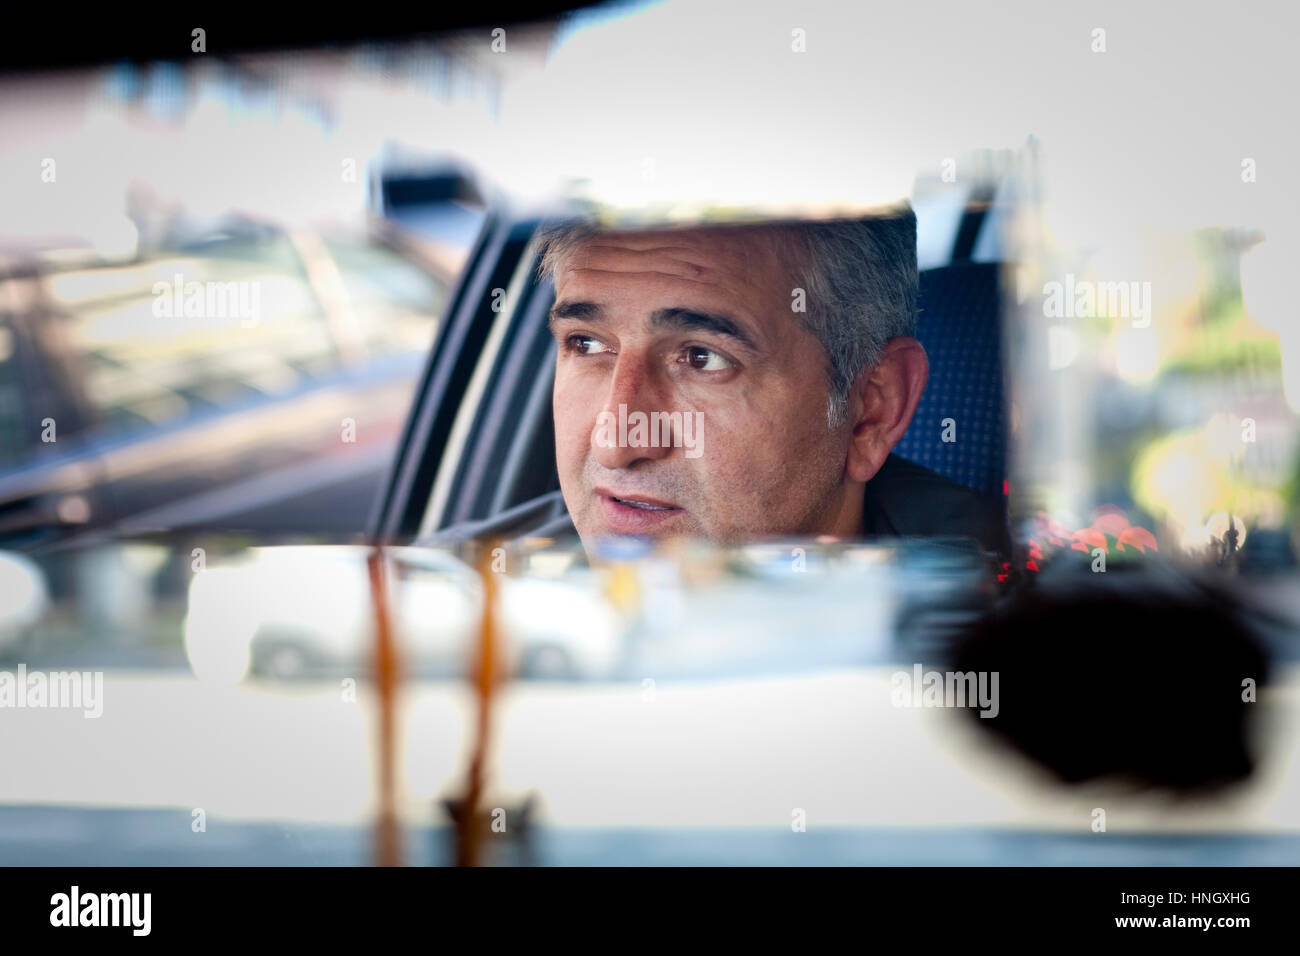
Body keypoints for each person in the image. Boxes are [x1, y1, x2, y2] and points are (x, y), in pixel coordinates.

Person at [425, 208, 1010, 558]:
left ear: (870, 410)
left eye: (702, 358)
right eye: (588, 344)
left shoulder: (1026, 644)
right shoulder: (447, 602)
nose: (616, 442)